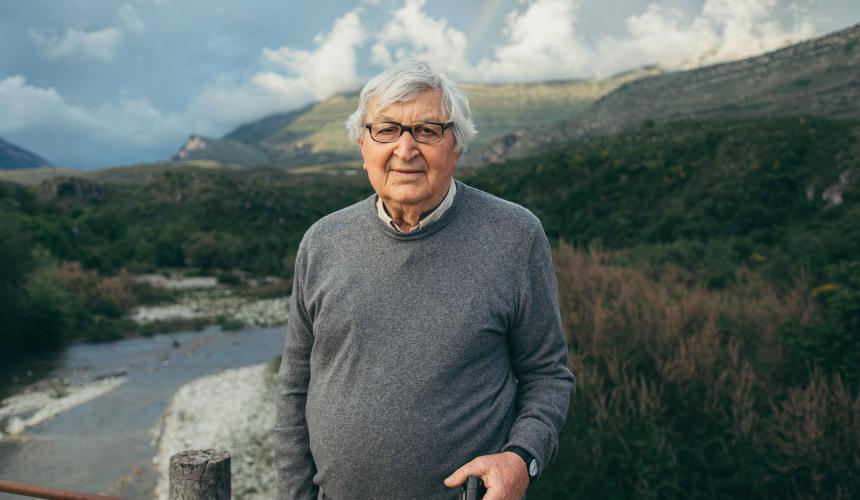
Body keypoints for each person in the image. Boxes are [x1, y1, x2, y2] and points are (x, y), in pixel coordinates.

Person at [275, 59, 575, 500]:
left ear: (457, 147)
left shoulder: (515, 236)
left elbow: (547, 374)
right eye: (386, 130)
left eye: (427, 131)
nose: (405, 149)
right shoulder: (322, 241)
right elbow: (295, 386)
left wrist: (521, 459)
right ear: (363, 145)